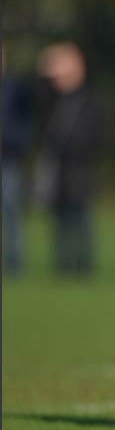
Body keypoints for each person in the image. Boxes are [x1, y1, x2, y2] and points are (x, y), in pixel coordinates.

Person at [32, 41, 108, 276]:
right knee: (60, 220)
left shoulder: (92, 95)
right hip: (57, 169)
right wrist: (47, 67)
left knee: (80, 217)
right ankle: (63, 265)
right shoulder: (52, 97)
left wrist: (76, 146)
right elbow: (34, 91)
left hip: (80, 168)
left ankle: (82, 265)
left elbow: (98, 133)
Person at [2, 45, 35, 278]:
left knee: (12, 212)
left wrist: (18, 142)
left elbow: (27, 120)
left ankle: (14, 265)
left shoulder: (15, 89)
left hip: (7, 160)